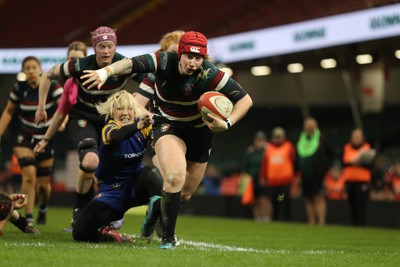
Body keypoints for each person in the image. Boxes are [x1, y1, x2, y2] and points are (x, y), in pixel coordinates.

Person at [81, 31, 253, 249]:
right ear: (179, 54)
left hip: (201, 132)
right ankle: (168, 239)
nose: (192, 63)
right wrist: (106, 72)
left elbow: (245, 100)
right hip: (169, 125)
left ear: (204, 59)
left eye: (198, 58)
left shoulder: (210, 74)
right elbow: (129, 64)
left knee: (186, 194)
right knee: (173, 177)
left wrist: (227, 123)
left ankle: (156, 209)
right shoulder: (162, 61)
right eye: (188, 57)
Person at [34, 27, 143, 227]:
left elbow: (151, 82)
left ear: (115, 46)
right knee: (91, 161)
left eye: (109, 46)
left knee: (113, 165)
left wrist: (142, 104)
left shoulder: (124, 64)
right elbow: (48, 76)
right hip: (83, 118)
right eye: (101, 46)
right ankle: (80, 209)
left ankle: (113, 209)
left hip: (110, 121)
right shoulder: (80, 65)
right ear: (94, 48)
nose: (105, 51)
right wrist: (41, 108)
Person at [72, 90, 163, 242]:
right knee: (79, 233)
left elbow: (156, 151)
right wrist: (137, 125)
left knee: (152, 173)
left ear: (135, 111)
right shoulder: (109, 128)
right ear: (112, 113)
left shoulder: (144, 128)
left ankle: (158, 223)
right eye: (120, 108)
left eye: (129, 108)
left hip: (134, 189)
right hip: (111, 196)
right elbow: (120, 135)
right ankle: (114, 238)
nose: (126, 113)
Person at [0, 56, 62, 226]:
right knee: (29, 175)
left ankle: (42, 207)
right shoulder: (19, 88)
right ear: (23, 72)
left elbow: (63, 105)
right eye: (27, 68)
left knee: (43, 185)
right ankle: (29, 217)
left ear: (40, 69)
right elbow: (8, 112)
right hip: (23, 133)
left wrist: (63, 122)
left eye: (34, 67)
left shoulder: (52, 85)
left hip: (46, 135)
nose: (31, 71)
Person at [296, 117, 335, 225]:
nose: (309, 127)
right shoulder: (301, 140)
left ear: (315, 127)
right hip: (305, 175)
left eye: (311, 125)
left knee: (318, 198)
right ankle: (311, 222)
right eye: (307, 125)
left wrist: (326, 168)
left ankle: (321, 223)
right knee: (308, 198)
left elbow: (332, 154)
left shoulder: (322, 140)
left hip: (318, 175)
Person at [259, 127, 296, 221]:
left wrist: (296, 177)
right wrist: (263, 177)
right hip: (272, 183)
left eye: (279, 136)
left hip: (285, 182)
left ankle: (284, 220)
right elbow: (265, 164)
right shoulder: (268, 148)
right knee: (274, 202)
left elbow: (295, 162)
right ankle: (276, 220)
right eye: (276, 137)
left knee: (282, 201)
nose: (277, 138)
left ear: (283, 137)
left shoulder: (289, 146)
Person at [341, 128, 374, 226]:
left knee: (360, 204)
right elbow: (343, 163)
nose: (356, 138)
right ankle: (354, 225)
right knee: (351, 204)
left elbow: (370, 165)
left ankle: (361, 225)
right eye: (355, 136)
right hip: (349, 181)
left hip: (362, 181)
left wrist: (359, 162)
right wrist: (352, 162)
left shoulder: (367, 148)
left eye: (358, 136)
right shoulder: (347, 147)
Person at [243, 131, 271, 222]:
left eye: (261, 140)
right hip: (253, 179)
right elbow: (246, 166)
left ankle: (266, 217)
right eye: (258, 140)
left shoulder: (268, 151)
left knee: (264, 199)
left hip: (265, 179)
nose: (259, 142)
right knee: (254, 200)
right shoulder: (250, 151)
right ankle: (258, 218)